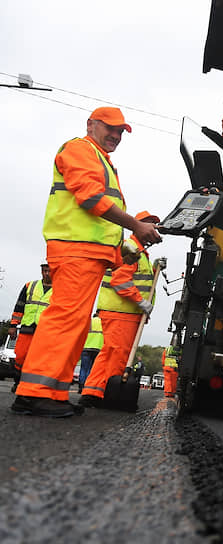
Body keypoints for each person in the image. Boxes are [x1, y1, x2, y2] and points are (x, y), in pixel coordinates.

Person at [11, 107, 162, 418]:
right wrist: (135, 225)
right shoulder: (79, 150)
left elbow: (99, 223)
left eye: (121, 132)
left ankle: (49, 393)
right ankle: (34, 393)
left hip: (88, 253)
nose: (116, 136)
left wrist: (128, 249)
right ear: (91, 125)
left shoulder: (99, 159)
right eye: (111, 128)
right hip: (75, 250)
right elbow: (91, 200)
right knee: (66, 320)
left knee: (74, 324)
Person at [79, 212, 159, 409]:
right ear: (137, 227)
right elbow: (120, 281)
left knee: (108, 353)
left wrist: (156, 268)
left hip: (122, 312)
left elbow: (138, 281)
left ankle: (93, 392)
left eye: (155, 226)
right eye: (149, 225)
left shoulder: (138, 252)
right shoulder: (130, 249)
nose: (153, 230)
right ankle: (110, 395)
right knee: (118, 355)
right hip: (122, 313)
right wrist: (140, 302)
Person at [7, 262, 53, 387]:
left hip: (45, 330)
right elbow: (19, 306)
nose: (46, 273)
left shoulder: (59, 289)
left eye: (49, 271)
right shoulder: (30, 286)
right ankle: (18, 382)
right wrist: (13, 325)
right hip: (27, 328)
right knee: (20, 356)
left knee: (38, 360)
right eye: (44, 271)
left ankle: (28, 386)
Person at [76, 311, 103, 393]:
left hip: (86, 348)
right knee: (91, 369)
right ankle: (87, 387)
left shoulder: (89, 321)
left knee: (83, 368)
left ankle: (81, 386)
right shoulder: (103, 322)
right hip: (98, 348)